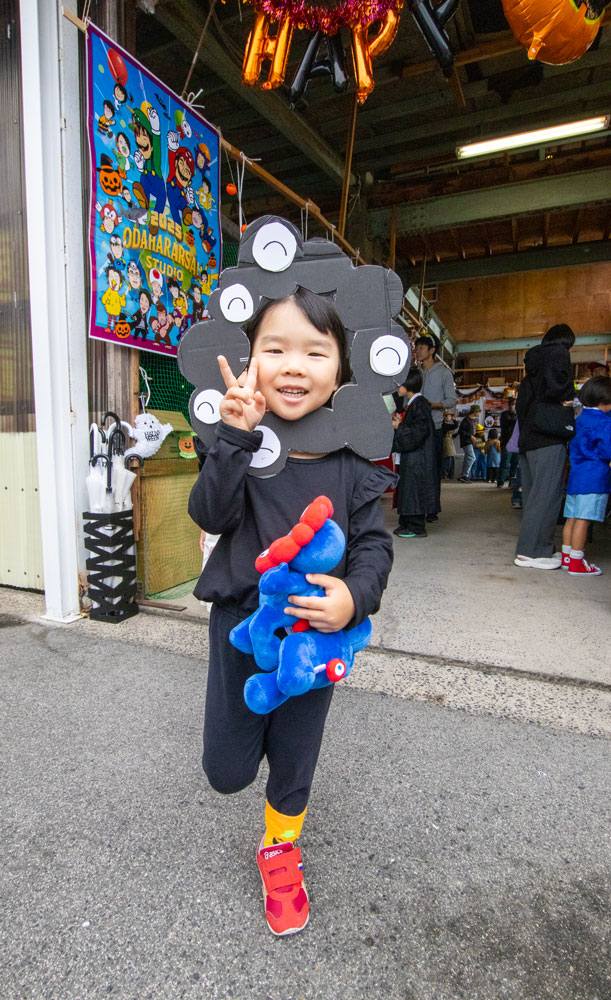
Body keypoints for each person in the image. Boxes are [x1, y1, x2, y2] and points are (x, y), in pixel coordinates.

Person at [188, 287, 394, 937]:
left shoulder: (352, 464)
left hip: (314, 635)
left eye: (315, 350)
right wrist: (232, 437)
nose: (294, 365)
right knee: (226, 773)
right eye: (274, 348)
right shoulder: (238, 442)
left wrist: (353, 598)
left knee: (296, 755)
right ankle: (249, 779)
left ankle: (280, 850)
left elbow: (372, 546)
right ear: (250, 358)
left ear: (341, 371)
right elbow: (209, 515)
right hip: (241, 630)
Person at [514, 324, 576, 570]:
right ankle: (532, 552)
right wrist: (565, 397)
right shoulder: (559, 354)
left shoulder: (532, 364)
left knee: (533, 496)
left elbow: (521, 406)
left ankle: (541, 549)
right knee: (547, 496)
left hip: (529, 437)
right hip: (549, 437)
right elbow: (557, 385)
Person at [560, 376, 611, 576]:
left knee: (571, 518)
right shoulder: (604, 422)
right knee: (584, 519)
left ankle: (567, 557)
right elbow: (608, 449)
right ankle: (577, 562)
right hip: (594, 477)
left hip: (576, 475)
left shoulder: (579, 418)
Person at [391, 367, 438, 537]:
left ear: (408, 384)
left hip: (417, 458)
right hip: (414, 457)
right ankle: (407, 524)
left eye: (400, 384)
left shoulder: (419, 404)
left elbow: (419, 432)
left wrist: (400, 426)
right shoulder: (415, 404)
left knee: (414, 490)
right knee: (410, 490)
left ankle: (416, 527)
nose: (398, 387)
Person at [414, 334, 456, 522]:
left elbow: (451, 401)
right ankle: (417, 506)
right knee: (417, 468)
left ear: (432, 351)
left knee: (433, 468)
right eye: (417, 347)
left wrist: (432, 405)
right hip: (416, 427)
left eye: (421, 347)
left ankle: (431, 509)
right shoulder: (416, 373)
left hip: (435, 427)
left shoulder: (444, 373)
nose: (418, 351)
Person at [497, 398, 518, 488]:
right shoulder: (505, 415)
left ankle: (512, 482)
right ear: (509, 405)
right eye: (513, 404)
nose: (514, 406)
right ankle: (500, 482)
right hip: (507, 443)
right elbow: (509, 422)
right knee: (505, 463)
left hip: (517, 444)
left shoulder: (518, 415)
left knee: (515, 464)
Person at [456, 404, 479, 482]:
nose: (478, 413)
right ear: (475, 412)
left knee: (467, 458)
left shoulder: (470, 420)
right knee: (472, 457)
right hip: (466, 441)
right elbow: (461, 431)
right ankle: (465, 475)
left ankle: (463, 474)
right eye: (478, 412)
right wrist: (470, 436)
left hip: (468, 441)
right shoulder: (466, 420)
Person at [441, 410, 458, 479]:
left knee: (451, 457)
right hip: (446, 442)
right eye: (448, 416)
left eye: (450, 416)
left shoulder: (445, 425)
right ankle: (445, 473)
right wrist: (454, 419)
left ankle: (450, 474)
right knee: (448, 458)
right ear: (444, 417)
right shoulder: (444, 425)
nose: (450, 417)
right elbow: (455, 426)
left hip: (449, 441)